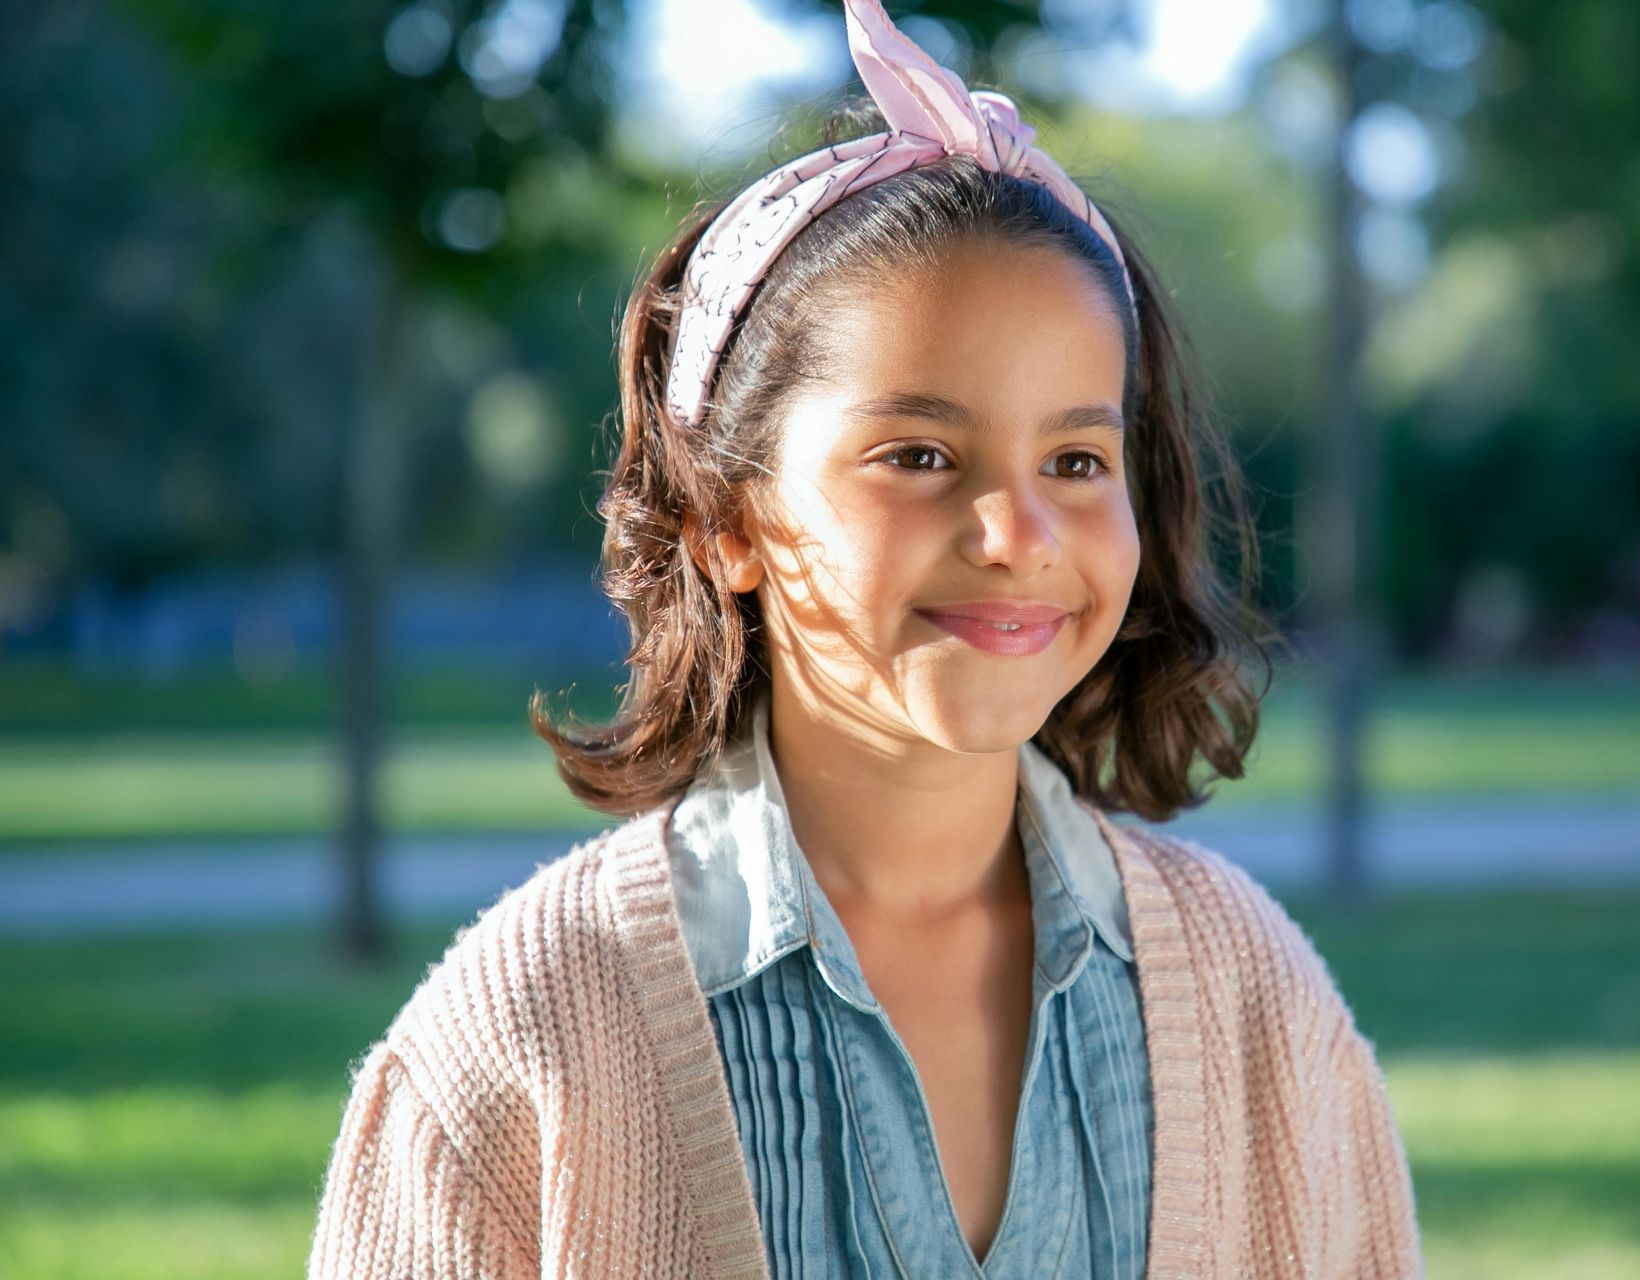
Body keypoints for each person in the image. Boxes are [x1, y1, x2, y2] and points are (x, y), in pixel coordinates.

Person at [305, 1, 1422, 1276]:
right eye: (919, 455)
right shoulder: (520, 1049)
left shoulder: (1258, 1006)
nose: (1015, 530)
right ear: (722, 518)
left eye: (1076, 456)